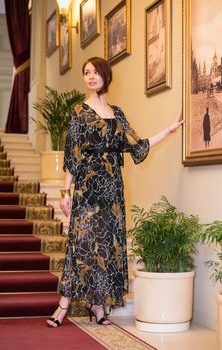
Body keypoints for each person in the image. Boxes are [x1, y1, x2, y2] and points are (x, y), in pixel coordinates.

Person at [47, 56, 183, 328]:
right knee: (81, 244)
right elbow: (72, 156)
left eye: (96, 72)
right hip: (87, 187)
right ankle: (63, 305)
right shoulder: (78, 112)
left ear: (106, 77)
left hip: (112, 189)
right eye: (86, 73)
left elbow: (137, 145)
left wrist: (169, 129)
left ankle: (98, 305)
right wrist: (65, 192)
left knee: (106, 247)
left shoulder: (118, 114)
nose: (91, 77)